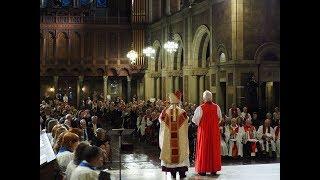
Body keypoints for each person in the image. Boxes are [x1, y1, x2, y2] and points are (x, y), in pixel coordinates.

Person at [159, 91, 189, 178]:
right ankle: (182, 173)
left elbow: (160, 121)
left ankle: (173, 173)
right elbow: (187, 121)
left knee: (170, 151)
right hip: (180, 139)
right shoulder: (182, 112)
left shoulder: (165, 112)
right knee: (181, 152)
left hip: (169, 139)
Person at [192, 90, 222, 176]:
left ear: (203, 98)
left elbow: (195, 120)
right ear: (211, 98)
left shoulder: (200, 108)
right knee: (213, 149)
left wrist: (202, 124)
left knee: (203, 148)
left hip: (204, 132)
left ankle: (202, 170)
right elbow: (220, 118)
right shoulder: (217, 107)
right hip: (214, 131)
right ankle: (213, 169)